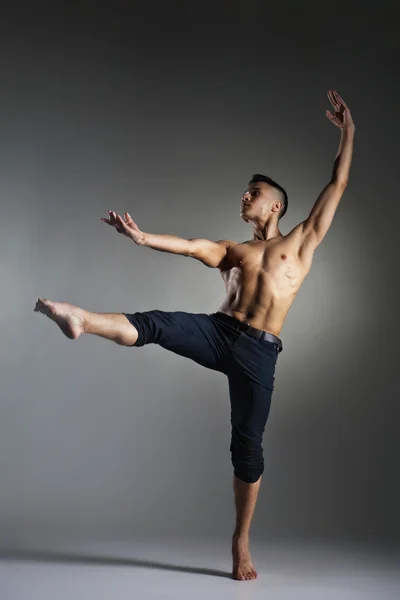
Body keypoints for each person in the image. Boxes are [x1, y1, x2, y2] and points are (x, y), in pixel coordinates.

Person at [34, 89, 354, 581]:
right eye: (245, 191)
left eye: (255, 192)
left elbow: (337, 183)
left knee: (247, 447)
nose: (245, 196)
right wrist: (141, 238)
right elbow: (189, 246)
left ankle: (240, 539)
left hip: (259, 354)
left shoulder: (303, 241)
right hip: (219, 332)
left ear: (276, 207)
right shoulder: (234, 250)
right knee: (158, 323)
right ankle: (80, 318)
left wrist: (347, 132)